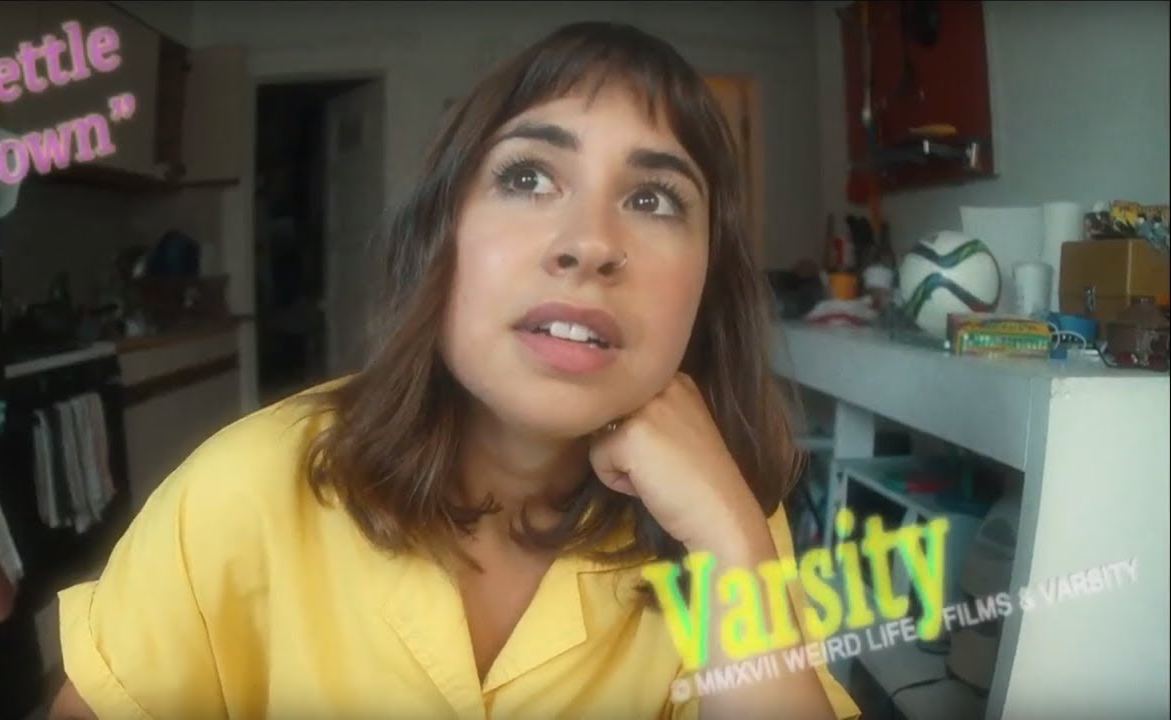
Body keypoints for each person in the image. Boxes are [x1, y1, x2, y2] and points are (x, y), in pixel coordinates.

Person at [50, 21, 860, 720]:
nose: (589, 243)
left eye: (653, 199)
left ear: (707, 284)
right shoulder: (240, 492)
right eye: (527, 177)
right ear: (439, 240)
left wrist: (734, 546)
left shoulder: (719, 514)